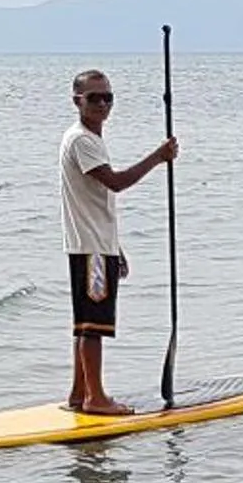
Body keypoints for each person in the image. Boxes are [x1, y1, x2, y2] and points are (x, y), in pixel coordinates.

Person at [60, 67, 177, 417]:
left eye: (107, 97)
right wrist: (158, 157)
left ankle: (79, 394)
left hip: (95, 243)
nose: (101, 104)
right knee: (94, 325)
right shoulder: (81, 139)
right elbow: (115, 182)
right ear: (77, 101)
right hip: (91, 248)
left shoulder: (90, 139)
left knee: (86, 323)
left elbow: (96, 200)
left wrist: (117, 247)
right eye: (93, 97)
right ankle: (96, 398)